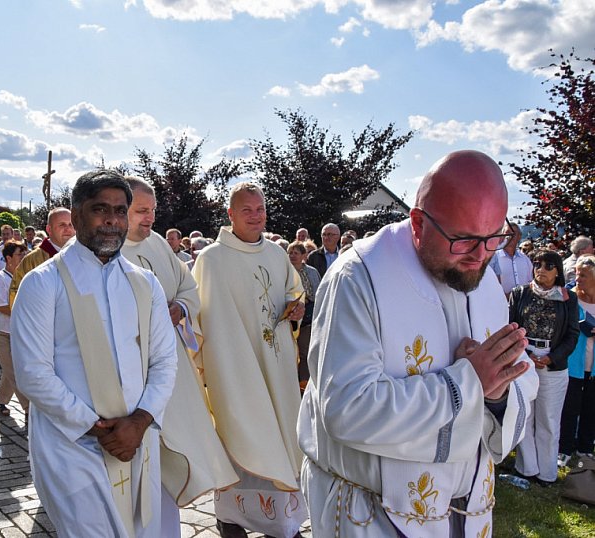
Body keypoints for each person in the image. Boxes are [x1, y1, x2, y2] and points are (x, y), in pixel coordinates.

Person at [298, 150, 539, 536]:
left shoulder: (487, 285)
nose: (480, 257)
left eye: (493, 237)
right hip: (374, 513)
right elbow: (347, 408)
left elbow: (519, 383)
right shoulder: (359, 278)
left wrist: (496, 392)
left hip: (467, 510)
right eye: (463, 240)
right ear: (417, 223)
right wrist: (466, 384)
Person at [11, 170, 177, 537]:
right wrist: (97, 428)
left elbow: (165, 359)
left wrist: (141, 421)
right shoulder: (42, 284)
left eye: (120, 211)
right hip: (74, 446)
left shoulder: (144, 282)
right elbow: (33, 374)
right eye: (100, 209)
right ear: (76, 214)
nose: (112, 221)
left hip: (137, 440)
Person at [121, 177, 238, 537]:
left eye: (153, 210)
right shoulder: (106, 250)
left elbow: (189, 288)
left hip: (173, 374)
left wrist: (180, 308)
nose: (150, 219)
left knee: (163, 470)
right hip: (134, 376)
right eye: (142, 211)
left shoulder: (157, 245)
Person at [192, 182, 307, 538]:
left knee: (279, 431)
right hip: (234, 371)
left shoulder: (276, 254)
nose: (256, 216)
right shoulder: (211, 260)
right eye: (247, 210)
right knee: (240, 430)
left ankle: (282, 522)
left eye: (260, 209)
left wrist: (297, 309)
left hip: (276, 367)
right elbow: (200, 317)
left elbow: (294, 294)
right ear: (230, 214)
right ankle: (233, 520)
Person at [509, 249, 579, 485]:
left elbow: (572, 334)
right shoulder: (520, 293)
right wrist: (526, 353)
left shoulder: (568, 298)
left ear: (558, 270)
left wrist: (553, 357)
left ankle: (546, 473)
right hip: (524, 357)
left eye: (548, 266)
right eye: (537, 264)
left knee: (548, 418)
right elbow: (511, 326)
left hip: (553, 364)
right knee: (525, 415)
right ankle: (527, 467)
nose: (541, 269)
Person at [559, 254, 595, 465]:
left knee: (591, 407)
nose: (578, 278)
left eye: (584, 275)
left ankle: (585, 448)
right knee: (569, 407)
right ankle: (564, 448)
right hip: (573, 363)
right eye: (577, 273)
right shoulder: (570, 298)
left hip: (593, 366)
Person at [0, 240, 29, 419]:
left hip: (18, 331)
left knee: (9, 370)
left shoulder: (24, 277)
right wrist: (28, 312)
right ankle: (29, 410)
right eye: (20, 254)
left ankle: (0, 402)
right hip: (1, 332)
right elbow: (1, 306)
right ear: (8, 258)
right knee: (15, 372)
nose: (24, 258)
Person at [8, 207, 75, 307]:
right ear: (49, 229)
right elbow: (16, 294)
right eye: (62, 225)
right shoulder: (31, 261)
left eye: (71, 224)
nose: (68, 229)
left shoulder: (84, 256)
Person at [287, 240, 321, 390]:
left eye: (296, 253)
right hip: (289, 314)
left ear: (303, 255)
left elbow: (319, 291)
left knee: (305, 349)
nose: (292, 256)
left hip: (308, 315)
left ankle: (305, 382)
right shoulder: (285, 271)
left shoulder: (312, 272)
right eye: (290, 252)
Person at [490, 222, 533, 298]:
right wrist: (505, 297)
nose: (511, 235)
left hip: (523, 306)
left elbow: (531, 282)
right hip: (502, 305)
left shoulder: (525, 259)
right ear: (501, 236)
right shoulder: (493, 259)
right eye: (508, 232)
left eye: (514, 233)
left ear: (519, 237)